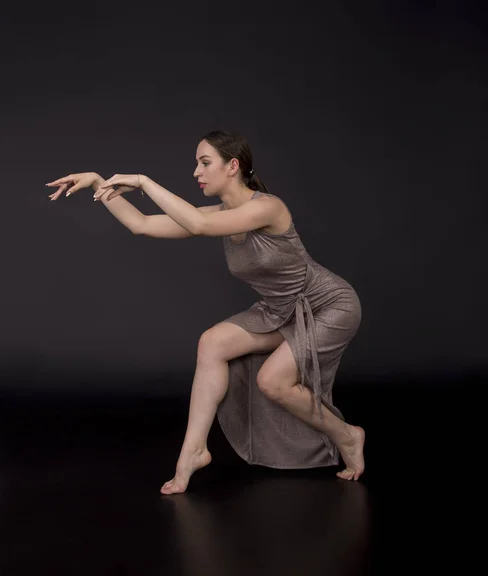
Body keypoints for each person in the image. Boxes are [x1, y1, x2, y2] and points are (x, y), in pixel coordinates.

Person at [46, 130, 365, 495]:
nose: (196, 172)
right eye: (197, 163)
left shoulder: (267, 208)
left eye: (204, 162)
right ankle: (194, 450)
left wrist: (144, 181)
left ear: (233, 166)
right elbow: (142, 224)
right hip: (281, 311)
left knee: (273, 382)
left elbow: (198, 225)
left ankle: (348, 435)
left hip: (328, 306)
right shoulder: (221, 212)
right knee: (212, 343)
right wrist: (99, 185)